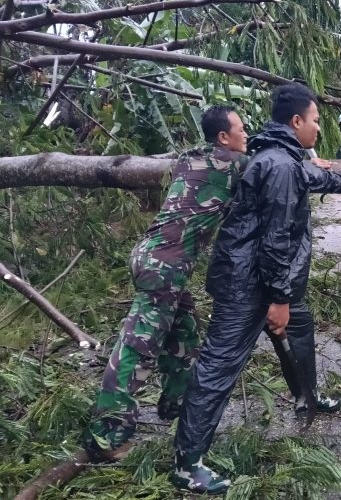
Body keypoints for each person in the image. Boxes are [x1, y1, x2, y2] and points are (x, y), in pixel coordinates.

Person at [171, 83, 341, 494]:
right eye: (315, 121)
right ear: (296, 122)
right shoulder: (278, 164)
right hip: (250, 285)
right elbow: (277, 240)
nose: (319, 128)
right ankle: (187, 463)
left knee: (300, 328)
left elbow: (307, 175)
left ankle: (308, 396)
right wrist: (278, 299)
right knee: (219, 366)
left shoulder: (278, 156)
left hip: (261, 277)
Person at [81, 106, 249, 460]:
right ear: (223, 138)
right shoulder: (229, 163)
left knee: (184, 331)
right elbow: (272, 165)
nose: (246, 134)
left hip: (155, 259)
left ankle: (176, 403)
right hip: (164, 268)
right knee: (136, 350)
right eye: (241, 129)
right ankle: (107, 435)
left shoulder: (191, 158)